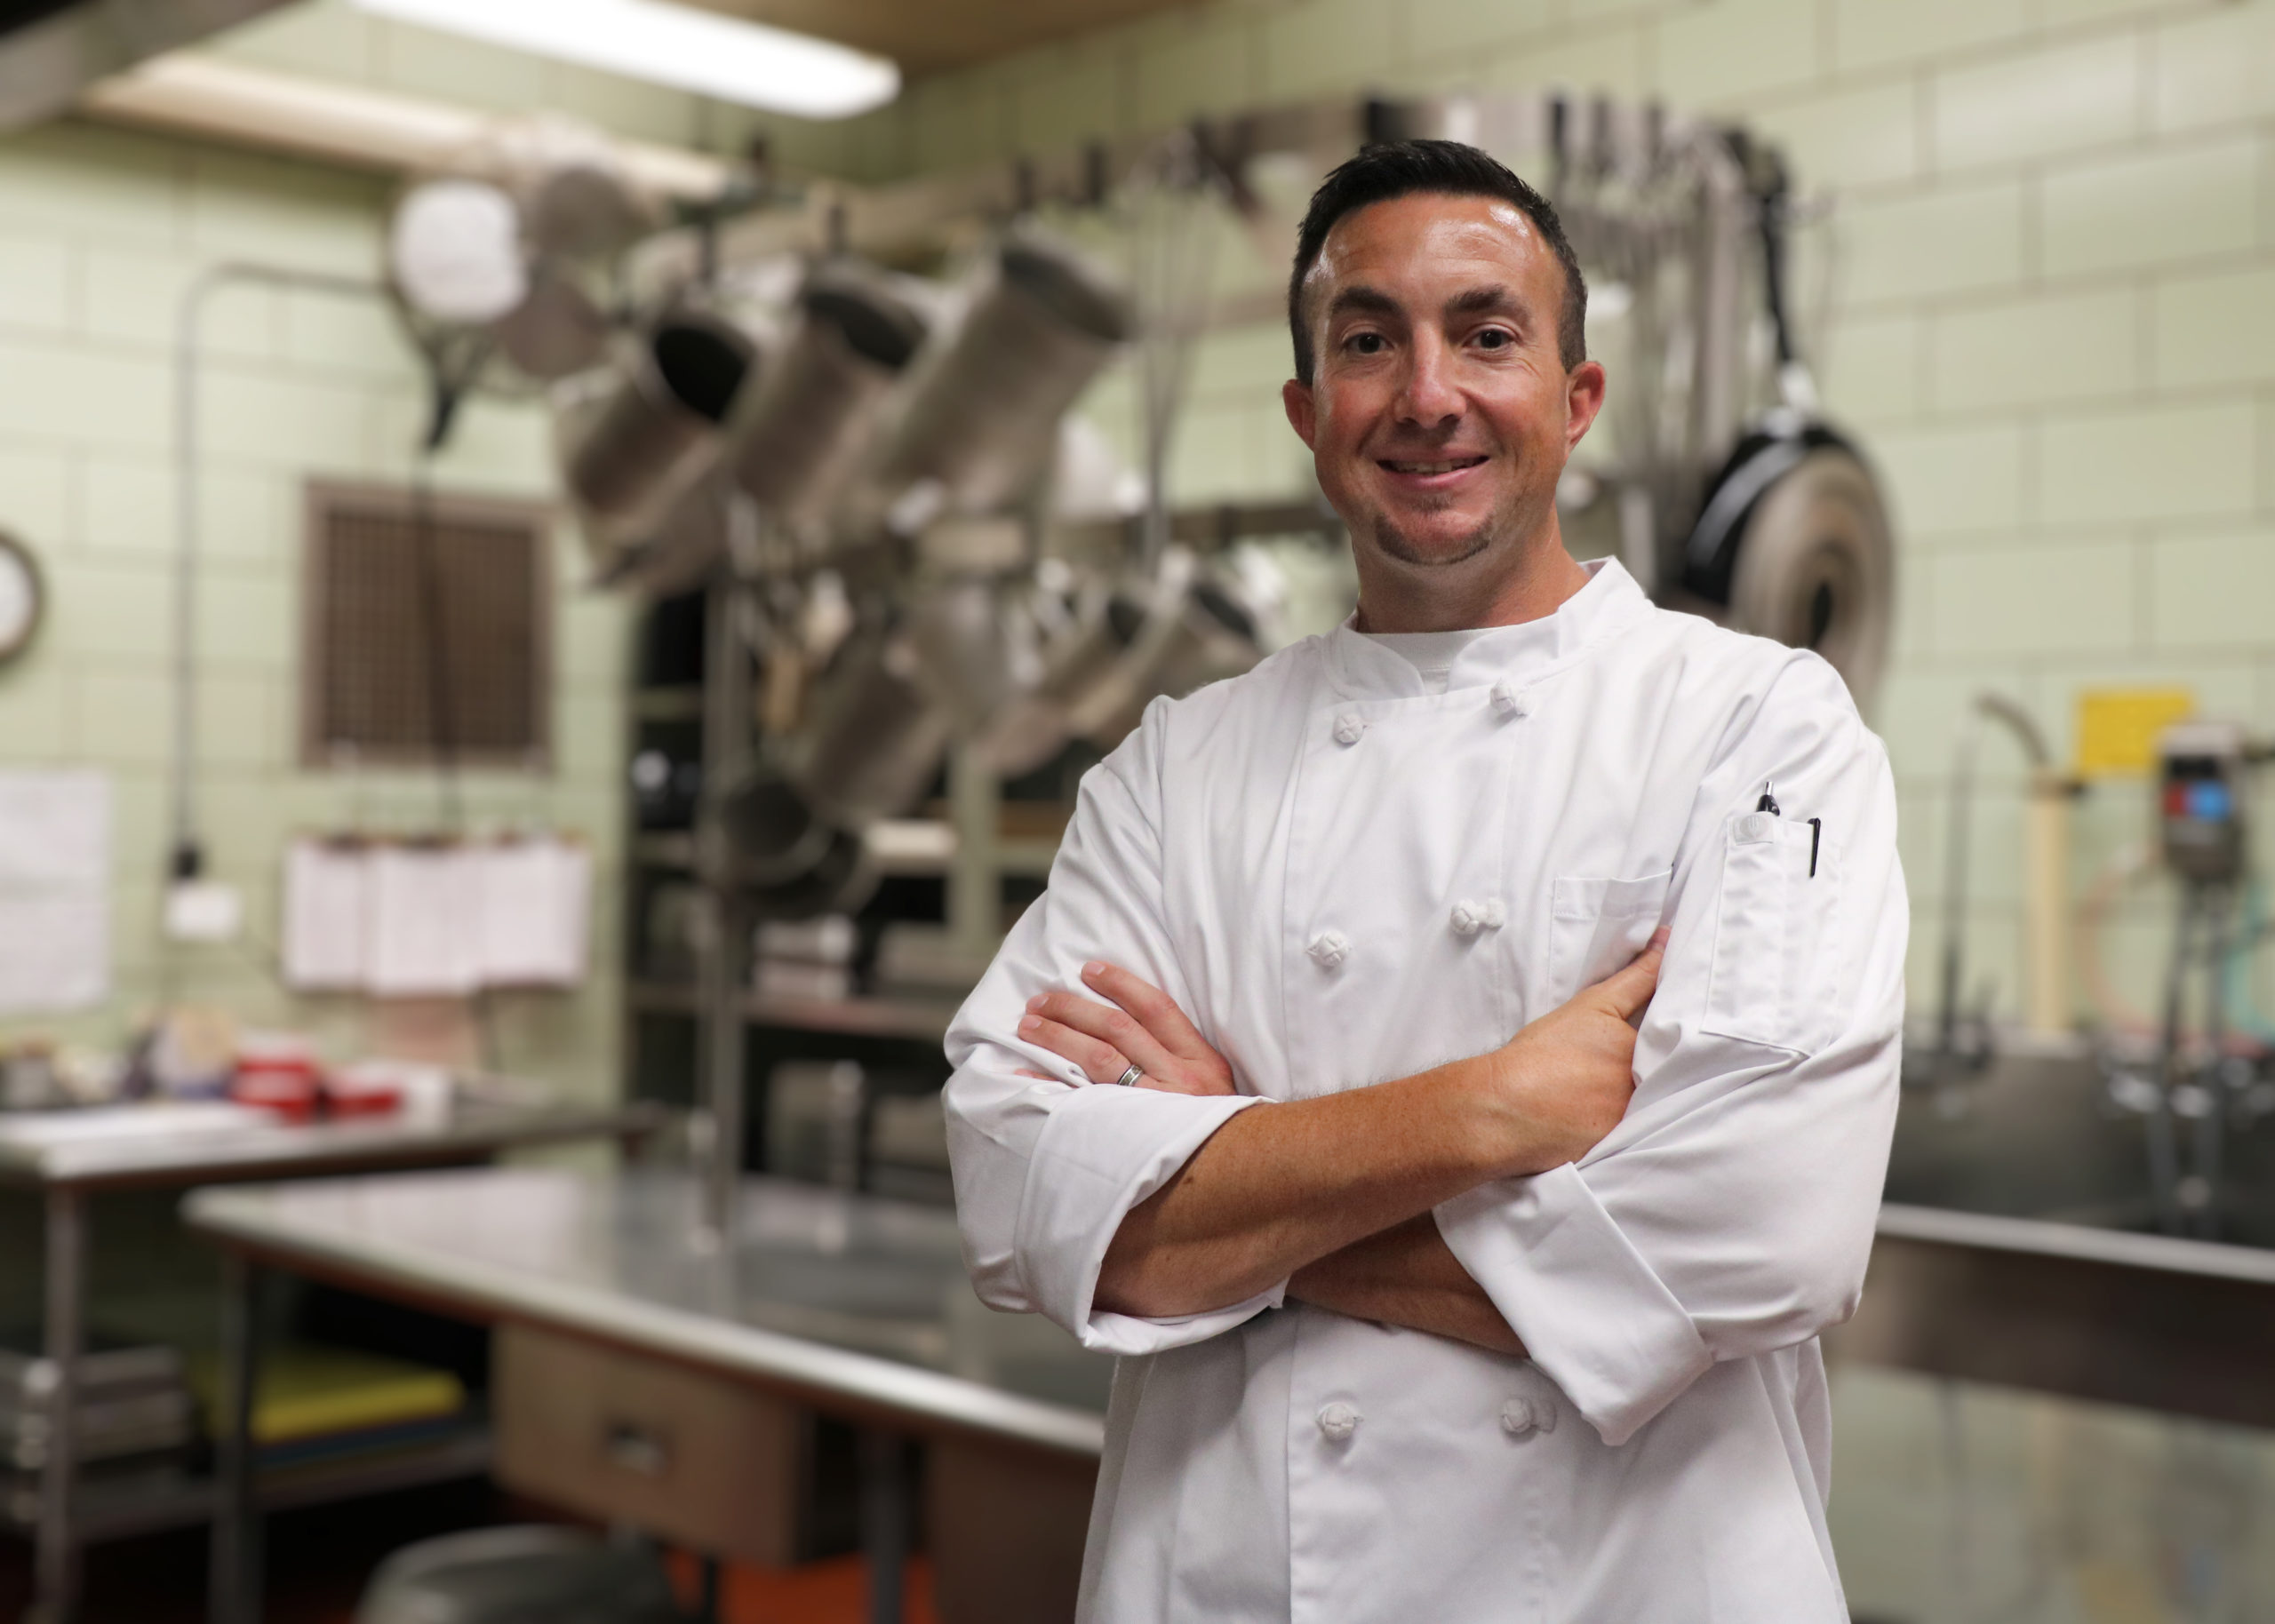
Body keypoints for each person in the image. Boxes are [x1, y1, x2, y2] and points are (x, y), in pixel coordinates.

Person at [942, 139, 1906, 1621]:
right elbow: (1014, 1188)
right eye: (1368, 340)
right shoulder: (1174, 767)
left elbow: (1764, 1237)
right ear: (1308, 412)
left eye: (1488, 333)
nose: (1428, 393)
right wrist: (1492, 1111)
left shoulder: (1756, 728)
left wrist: (1218, 1181)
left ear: (1576, 401)